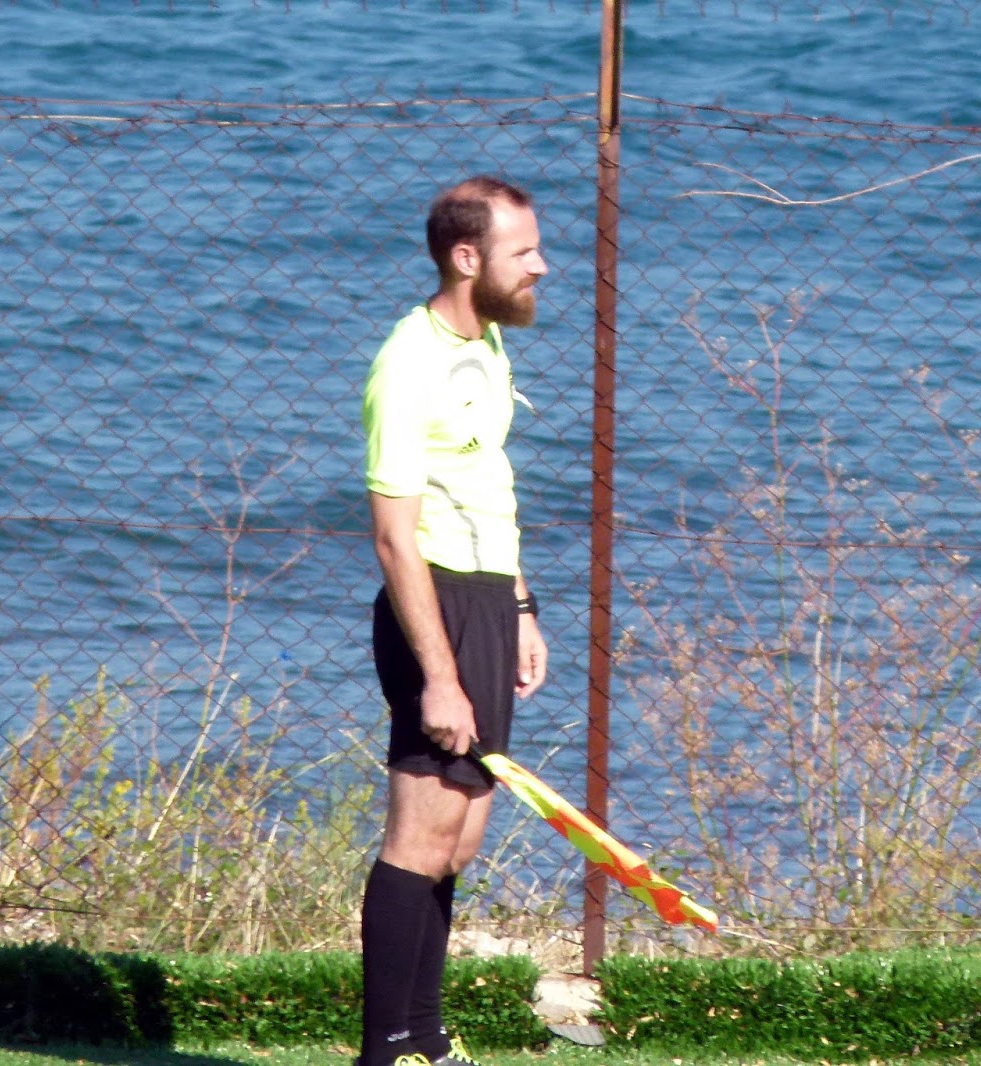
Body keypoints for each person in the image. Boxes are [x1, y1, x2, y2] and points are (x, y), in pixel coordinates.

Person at [358, 175, 550, 1066]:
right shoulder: (409, 365)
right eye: (525, 252)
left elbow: (484, 484)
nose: (542, 268)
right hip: (432, 602)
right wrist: (439, 675)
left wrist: (520, 605)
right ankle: (384, 1052)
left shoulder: (487, 341)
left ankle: (427, 1043)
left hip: (486, 599)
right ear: (467, 259)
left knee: (460, 837)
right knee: (420, 836)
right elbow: (393, 538)